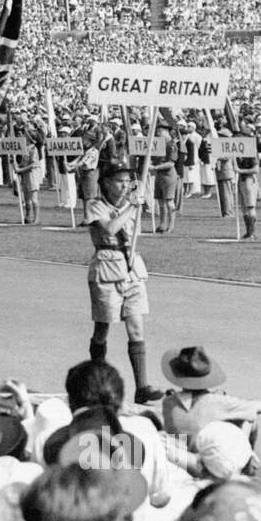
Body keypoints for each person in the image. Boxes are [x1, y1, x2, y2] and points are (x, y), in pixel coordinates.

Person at [85, 159, 163, 404]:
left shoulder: (134, 203)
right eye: (119, 181)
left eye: (127, 181)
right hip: (107, 269)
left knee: (136, 327)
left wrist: (142, 200)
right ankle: (96, 381)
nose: (124, 185)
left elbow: (148, 211)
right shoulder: (95, 205)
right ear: (106, 183)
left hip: (132, 268)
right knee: (102, 328)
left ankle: (142, 386)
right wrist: (132, 206)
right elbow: (109, 229)